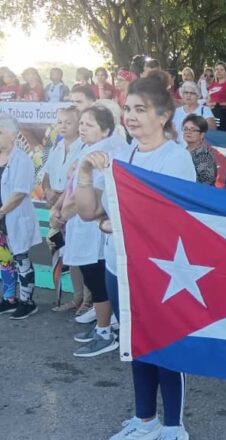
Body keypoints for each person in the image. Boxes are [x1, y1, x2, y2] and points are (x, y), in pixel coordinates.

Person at [75, 75, 195, 440]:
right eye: (127, 109)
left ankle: (174, 426)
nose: (131, 116)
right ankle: (145, 420)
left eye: (140, 109)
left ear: (164, 115)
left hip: (160, 270)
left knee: (165, 346)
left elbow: (168, 221)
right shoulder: (119, 156)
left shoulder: (176, 159)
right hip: (119, 267)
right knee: (135, 343)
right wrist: (83, 173)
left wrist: (113, 225)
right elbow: (86, 212)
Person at [52, 106, 122, 357]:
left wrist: (62, 214)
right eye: (81, 123)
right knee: (95, 277)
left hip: (92, 227)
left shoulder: (102, 153)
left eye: (89, 125)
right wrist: (60, 207)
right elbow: (71, 186)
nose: (82, 128)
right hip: (82, 224)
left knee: (97, 279)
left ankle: (105, 332)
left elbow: (93, 193)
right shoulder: (87, 148)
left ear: (106, 130)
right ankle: (107, 325)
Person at [0, 114, 44, 319]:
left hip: (13, 216)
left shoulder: (22, 159)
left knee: (21, 258)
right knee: (4, 260)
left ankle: (27, 302)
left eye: (0, 132)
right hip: (2, 219)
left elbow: (19, 193)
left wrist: (0, 212)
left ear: (13, 136)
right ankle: (9, 299)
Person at [41, 107, 84, 207]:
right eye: (60, 122)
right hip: (53, 205)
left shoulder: (84, 148)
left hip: (73, 205)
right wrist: (48, 191)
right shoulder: (55, 147)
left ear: (78, 125)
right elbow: (46, 176)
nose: (63, 126)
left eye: (68, 123)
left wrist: (62, 197)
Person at [181, 114, 218, 185]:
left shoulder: (204, 155)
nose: (188, 132)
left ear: (202, 135)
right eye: (185, 129)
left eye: (192, 129)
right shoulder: (184, 151)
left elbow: (207, 183)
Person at [206, 61, 226, 132]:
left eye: (221, 69)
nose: (218, 71)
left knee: (224, 137)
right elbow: (208, 100)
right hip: (212, 113)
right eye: (217, 69)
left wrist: (218, 104)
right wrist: (209, 104)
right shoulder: (212, 85)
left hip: (225, 114)